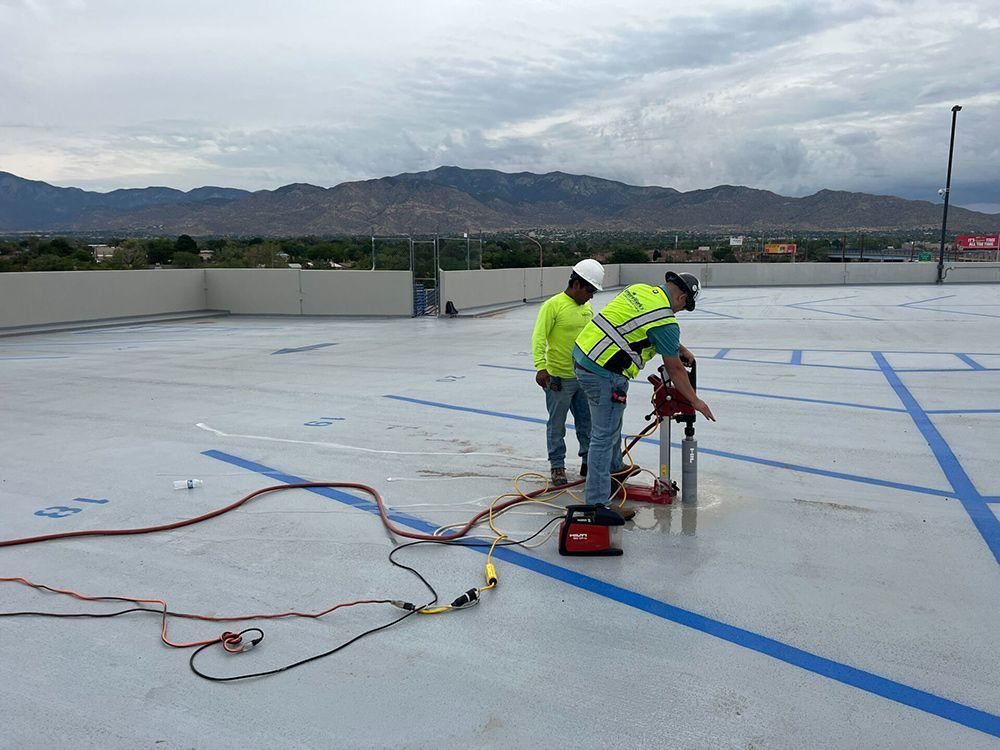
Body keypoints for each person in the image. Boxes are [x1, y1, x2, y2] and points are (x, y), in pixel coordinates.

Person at [573, 270, 715, 511]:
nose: (679, 312)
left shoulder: (639, 289)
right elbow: (676, 371)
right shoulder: (667, 322)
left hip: (583, 356)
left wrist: (679, 347)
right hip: (604, 371)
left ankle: (615, 467)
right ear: (682, 299)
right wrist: (696, 401)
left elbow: (640, 321)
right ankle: (596, 504)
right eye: (683, 307)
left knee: (610, 423)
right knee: (603, 436)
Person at [531, 259, 606, 487]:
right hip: (558, 379)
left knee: (587, 424)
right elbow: (539, 337)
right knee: (557, 424)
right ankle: (557, 465)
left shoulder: (587, 308)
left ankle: (587, 461)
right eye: (589, 290)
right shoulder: (553, 305)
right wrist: (540, 367)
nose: (591, 296)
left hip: (583, 376)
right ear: (576, 284)